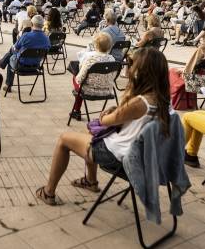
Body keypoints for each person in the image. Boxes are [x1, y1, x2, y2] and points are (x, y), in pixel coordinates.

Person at [35, 47, 172, 205]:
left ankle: (48, 192)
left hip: (120, 158)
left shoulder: (141, 101)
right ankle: (90, 181)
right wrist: (121, 111)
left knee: (64, 139)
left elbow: (105, 121)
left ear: (141, 71)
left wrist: (108, 114)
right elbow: (130, 118)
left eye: (132, 65)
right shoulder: (164, 101)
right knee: (90, 130)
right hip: (147, 158)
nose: (129, 68)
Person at [169, 21, 205, 109]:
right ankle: (188, 102)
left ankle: (177, 102)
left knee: (172, 71)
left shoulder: (203, 48)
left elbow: (189, 67)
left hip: (196, 81)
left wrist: (182, 70)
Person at [69, 32, 117, 121]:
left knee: (75, 77)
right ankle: (76, 111)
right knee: (79, 81)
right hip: (107, 90)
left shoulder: (91, 59)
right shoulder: (112, 59)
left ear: (95, 45)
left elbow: (79, 79)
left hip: (89, 90)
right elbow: (113, 77)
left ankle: (76, 110)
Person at [1, 15, 51, 91]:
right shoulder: (46, 38)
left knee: (11, 54)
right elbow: (47, 50)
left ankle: (7, 83)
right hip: (36, 65)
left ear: (32, 24)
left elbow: (16, 47)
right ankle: (1, 64)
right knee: (12, 53)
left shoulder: (26, 36)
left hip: (21, 66)